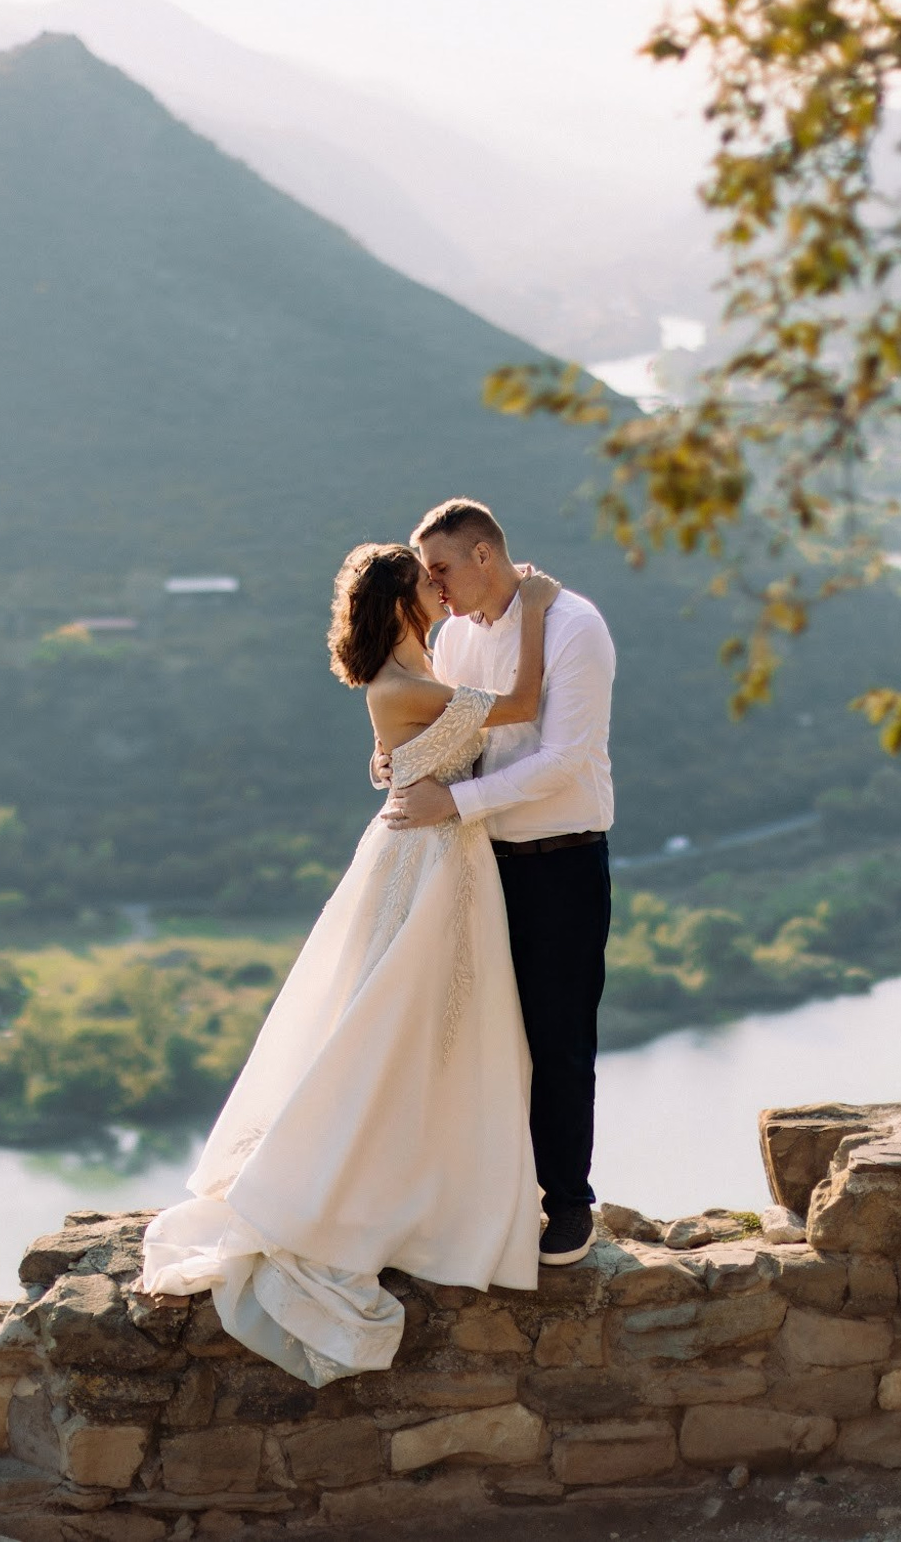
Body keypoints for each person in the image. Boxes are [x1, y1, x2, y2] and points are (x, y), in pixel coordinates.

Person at [135, 542, 563, 1386]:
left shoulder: (420, 667)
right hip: (429, 864)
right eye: (427, 582)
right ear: (402, 600)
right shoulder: (404, 684)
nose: (440, 589)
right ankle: (372, 1191)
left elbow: (416, 746)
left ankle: (435, 1186)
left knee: (442, 1031)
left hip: (447, 855)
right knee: (394, 1028)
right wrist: (539, 607)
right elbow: (520, 704)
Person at [382, 498, 615, 1267]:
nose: (435, 586)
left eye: (442, 568)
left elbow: (564, 760)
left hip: (559, 863)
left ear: (485, 555)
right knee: (472, 1039)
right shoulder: (450, 639)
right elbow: (444, 736)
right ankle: (480, 1202)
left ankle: (568, 1206)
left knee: (558, 1041)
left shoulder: (576, 624)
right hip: (472, 866)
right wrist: (394, 762)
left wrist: (453, 801)